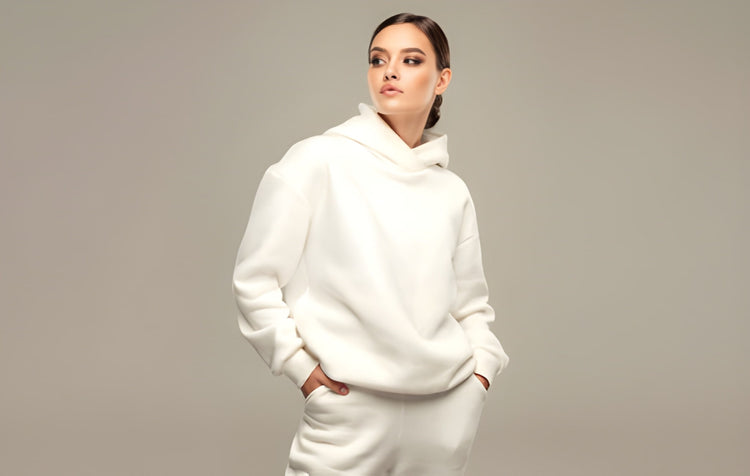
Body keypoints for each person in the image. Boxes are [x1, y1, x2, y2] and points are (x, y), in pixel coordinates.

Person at [232, 12, 510, 475]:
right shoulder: (316, 161)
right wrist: (299, 368)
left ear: (442, 79)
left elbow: (471, 305)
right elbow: (254, 280)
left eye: (411, 60)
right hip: (347, 411)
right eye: (378, 59)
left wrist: (481, 372)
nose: (390, 71)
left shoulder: (451, 191)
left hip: (444, 414)